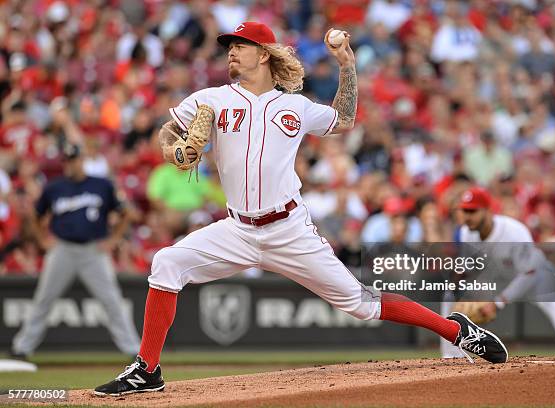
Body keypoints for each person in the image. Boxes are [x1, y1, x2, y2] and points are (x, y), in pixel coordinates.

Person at [94, 22, 508, 397]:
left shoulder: (294, 107)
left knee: (361, 305)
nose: (232, 52)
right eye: (229, 46)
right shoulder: (213, 100)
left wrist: (347, 65)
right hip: (236, 229)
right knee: (167, 263)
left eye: (241, 45)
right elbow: (167, 132)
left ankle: (457, 330)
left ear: (264, 54)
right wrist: (174, 148)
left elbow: (344, 118)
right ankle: (148, 369)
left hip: (288, 228)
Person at [11, 143, 141, 358]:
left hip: (93, 251)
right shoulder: (55, 188)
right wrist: (43, 239)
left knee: (112, 300)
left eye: (75, 159)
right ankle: (22, 347)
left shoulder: (101, 185)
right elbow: (35, 215)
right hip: (63, 249)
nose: (71, 164)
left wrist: (113, 239)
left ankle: (134, 349)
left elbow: (126, 213)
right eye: (67, 160)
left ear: (83, 160)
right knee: (44, 299)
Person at [440, 187, 555, 358]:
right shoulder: (467, 233)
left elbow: (529, 272)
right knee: (450, 295)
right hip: (499, 278)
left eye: (472, 211)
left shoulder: (514, 232)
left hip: (532, 276)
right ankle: (451, 357)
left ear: (488, 210)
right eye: (464, 210)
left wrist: (497, 303)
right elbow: (468, 268)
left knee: (552, 302)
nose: (466, 216)